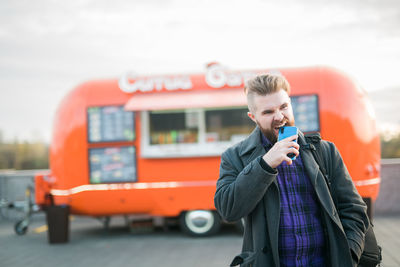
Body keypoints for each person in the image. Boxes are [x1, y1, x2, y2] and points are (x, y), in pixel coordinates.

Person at [214, 74, 369, 267]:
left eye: (284, 107)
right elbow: (228, 210)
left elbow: (354, 209)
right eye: (268, 112)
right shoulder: (235, 156)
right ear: (253, 117)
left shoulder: (325, 151)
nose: (279, 117)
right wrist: (265, 164)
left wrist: (348, 255)